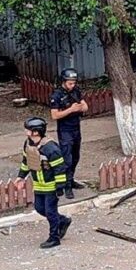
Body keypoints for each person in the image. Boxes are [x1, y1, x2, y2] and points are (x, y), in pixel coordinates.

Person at [15, 117, 72, 248]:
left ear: (36, 132)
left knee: (50, 212)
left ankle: (54, 238)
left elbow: (60, 168)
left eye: (28, 129)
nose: (25, 131)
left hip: (50, 186)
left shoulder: (51, 148)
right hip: (38, 184)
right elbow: (26, 162)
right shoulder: (28, 144)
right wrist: (21, 177)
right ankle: (63, 220)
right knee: (40, 208)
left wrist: (60, 187)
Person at [50, 68, 88, 199]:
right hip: (65, 130)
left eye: (74, 82)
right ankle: (66, 186)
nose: (73, 85)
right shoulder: (57, 95)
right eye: (70, 83)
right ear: (64, 82)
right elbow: (54, 115)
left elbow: (85, 106)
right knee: (67, 159)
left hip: (76, 128)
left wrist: (80, 107)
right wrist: (70, 110)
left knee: (76, 156)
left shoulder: (76, 91)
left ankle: (71, 180)